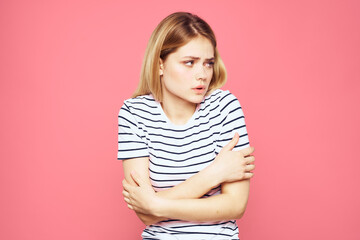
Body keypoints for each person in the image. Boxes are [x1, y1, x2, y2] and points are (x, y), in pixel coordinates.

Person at [118, 12, 255, 240]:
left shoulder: (224, 107)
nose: (201, 75)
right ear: (160, 64)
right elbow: (145, 215)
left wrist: (156, 205)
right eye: (189, 63)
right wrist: (214, 174)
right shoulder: (135, 113)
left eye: (208, 64)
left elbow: (235, 204)